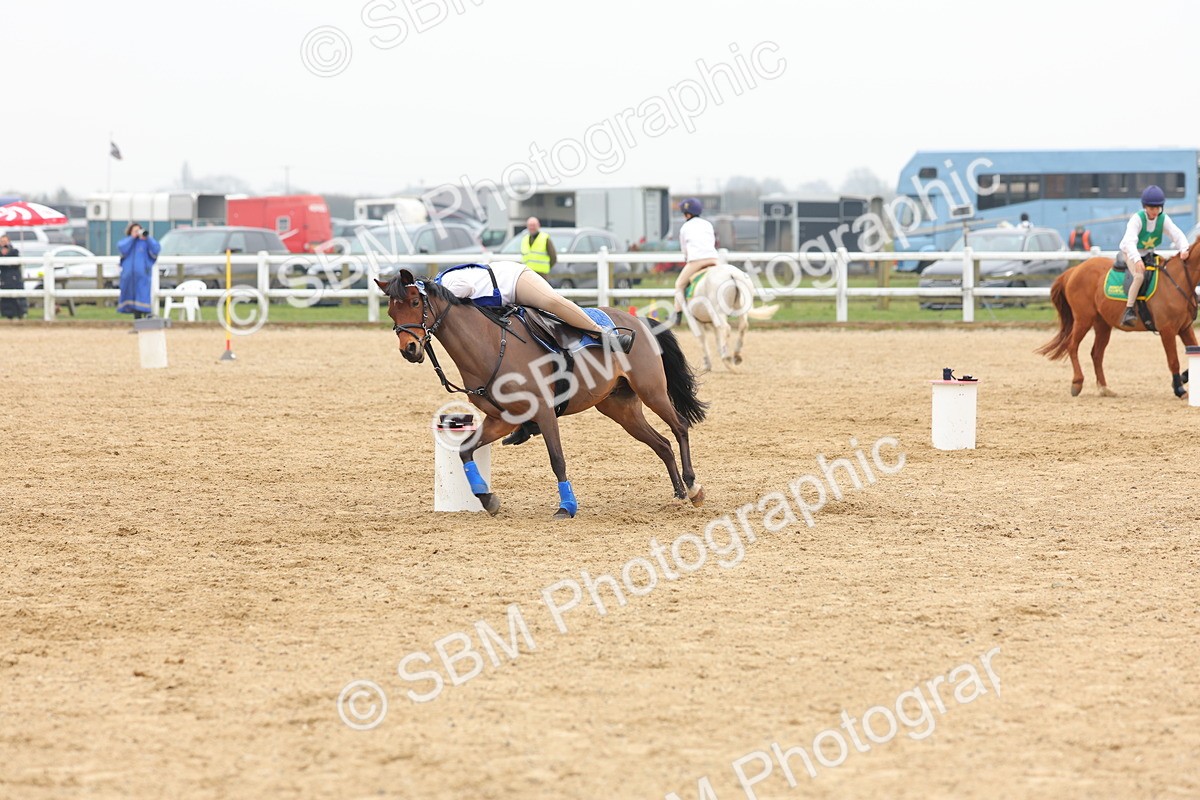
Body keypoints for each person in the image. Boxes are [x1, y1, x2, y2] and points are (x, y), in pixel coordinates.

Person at [435, 260, 632, 353]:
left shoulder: (446, 283)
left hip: (515, 279)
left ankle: (604, 335)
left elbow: (467, 287)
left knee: (552, 303)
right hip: (505, 300)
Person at [1118, 185, 1191, 327]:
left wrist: (1184, 248)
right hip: (1130, 251)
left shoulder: (1163, 219)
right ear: (1145, 207)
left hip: (1148, 253)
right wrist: (1137, 259)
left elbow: (1176, 234)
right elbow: (1130, 241)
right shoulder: (1137, 219)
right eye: (1152, 208)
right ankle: (1129, 309)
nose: (1155, 212)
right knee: (1139, 276)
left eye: (1158, 208)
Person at [673, 198, 719, 316]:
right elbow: (712, 241)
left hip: (696, 261)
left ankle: (678, 312)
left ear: (687, 214)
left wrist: (686, 257)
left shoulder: (685, 227)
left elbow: (684, 248)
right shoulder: (708, 224)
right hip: (713, 258)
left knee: (679, 285)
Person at [117, 222, 161, 319]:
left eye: (139, 230)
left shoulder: (145, 243)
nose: (137, 232)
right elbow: (121, 247)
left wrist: (147, 238)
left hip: (142, 276)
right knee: (132, 300)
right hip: (129, 277)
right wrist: (132, 237)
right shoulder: (127, 242)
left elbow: (156, 249)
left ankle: (145, 324)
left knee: (143, 298)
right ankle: (138, 323)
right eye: (135, 231)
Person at [0, 235, 27, 320]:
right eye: (1, 241)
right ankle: (8, 315)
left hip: (14, 277)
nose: (3, 243)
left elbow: (17, 263)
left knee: (18, 298)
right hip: (4, 278)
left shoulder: (14, 251)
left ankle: (21, 314)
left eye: (5, 241)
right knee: (6, 300)